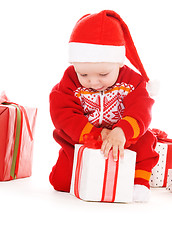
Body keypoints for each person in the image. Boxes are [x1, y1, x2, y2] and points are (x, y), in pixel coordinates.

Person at [49, 10, 159, 202]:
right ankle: (80, 174)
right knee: (61, 183)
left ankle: (139, 181)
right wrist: (94, 134)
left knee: (144, 141)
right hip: (82, 138)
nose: (93, 82)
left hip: (124, 138)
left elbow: (141, 107)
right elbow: (63, 112)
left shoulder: (132, 81)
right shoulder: (69, 81)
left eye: (103, 74)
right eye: (84, 75)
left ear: (118, 63)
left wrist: (122, 131)